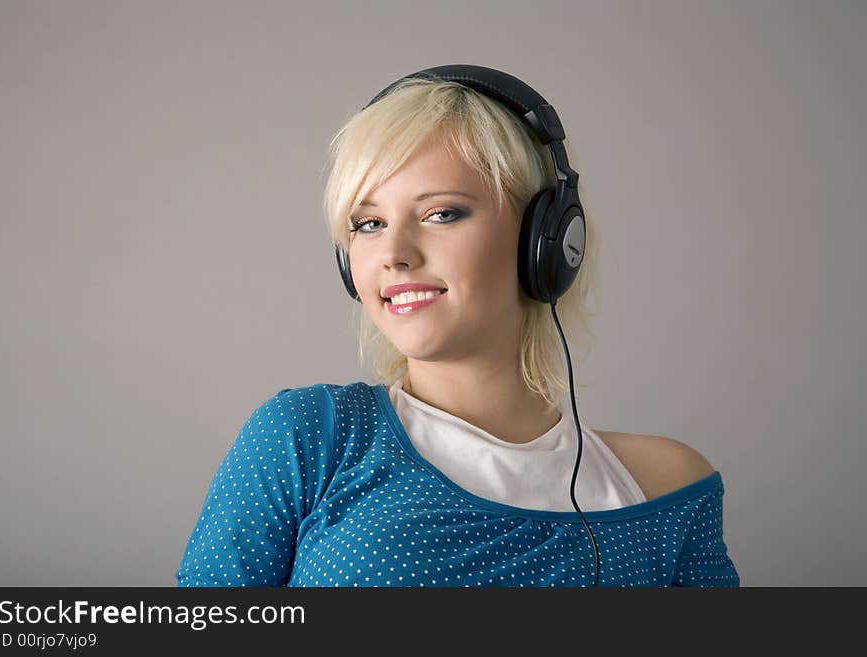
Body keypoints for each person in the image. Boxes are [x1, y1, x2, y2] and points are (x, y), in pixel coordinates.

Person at [176, 65, 740, 587]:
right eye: (368, 223)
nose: (393, 253)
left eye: (440, 213)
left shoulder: (667, 487)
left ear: (545, 241)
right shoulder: (311, 438)